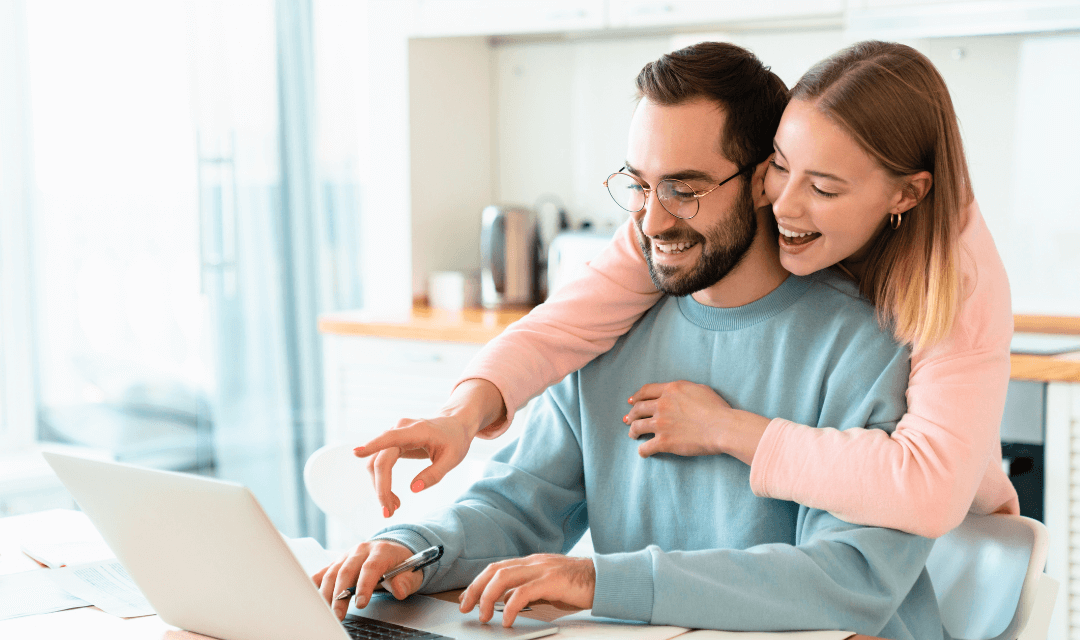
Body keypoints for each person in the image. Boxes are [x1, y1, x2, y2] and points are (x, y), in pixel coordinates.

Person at [316, 42, 941, 640]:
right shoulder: (611, 324)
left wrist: (599, 580)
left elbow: (848, 578)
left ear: (763, 182)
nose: (652, 219)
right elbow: (517, 506)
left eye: (684, 189)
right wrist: (410, 549)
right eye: (640, 184)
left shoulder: (866, 340)